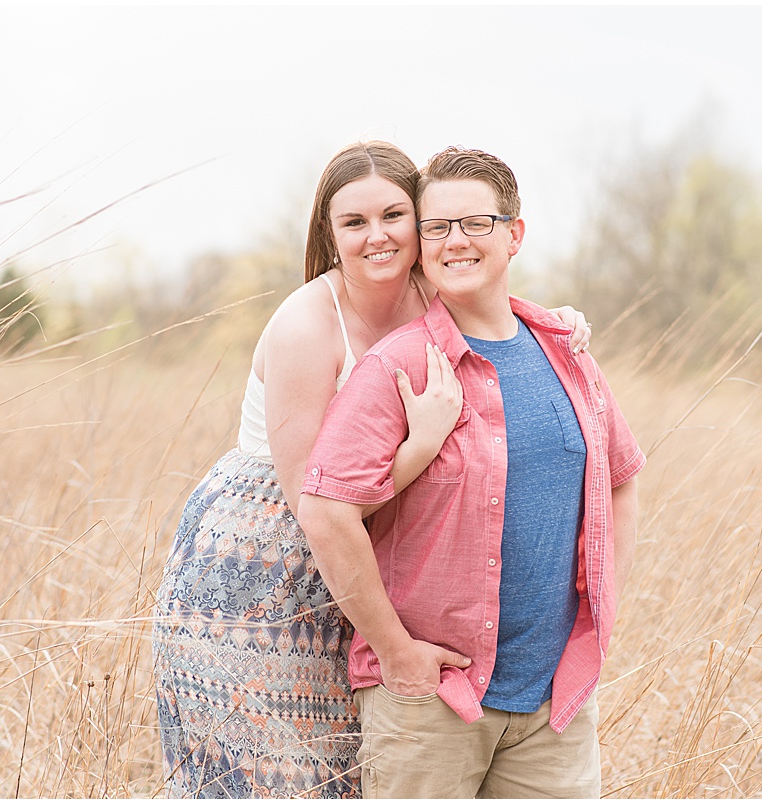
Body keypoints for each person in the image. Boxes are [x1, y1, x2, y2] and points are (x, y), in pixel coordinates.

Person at [151, 141, 593, 798]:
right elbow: (314, 503)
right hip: (268, 566)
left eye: (394, 215)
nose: (378, 236)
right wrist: (420, 447)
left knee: (362, 769)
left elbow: (498, 303)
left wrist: (556, 323)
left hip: (371, 558)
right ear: (328, 236)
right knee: (280, 775)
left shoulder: (431, 293)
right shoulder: (308, 324)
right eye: (354, 223)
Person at [298, 146, 645, 798]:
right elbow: (325, 509)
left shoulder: (565, 355)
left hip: (554, 703)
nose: (456, 241)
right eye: (437, 228)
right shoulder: (400, 366)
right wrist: (395, 652)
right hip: (432, 701)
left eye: (476, 223)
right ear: (421, 246)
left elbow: (621, 480)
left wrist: (603, 614)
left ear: (513, 235)